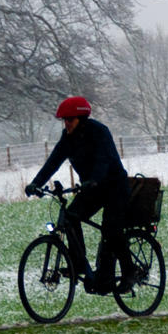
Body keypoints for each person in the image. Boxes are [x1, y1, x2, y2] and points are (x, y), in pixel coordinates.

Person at [25, 95, 133, 293]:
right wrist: (36, 183)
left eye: (69, 120)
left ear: (81, 119)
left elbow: (104, 159)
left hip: (115, 187)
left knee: (111, 231)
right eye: (64, 120)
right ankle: (79, 263)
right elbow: (54, 161)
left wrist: (94, 179)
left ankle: (129, 272)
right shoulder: (68, 138)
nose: (66, 124)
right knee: (70, 217)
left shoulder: (99, 132)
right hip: (92, 188)